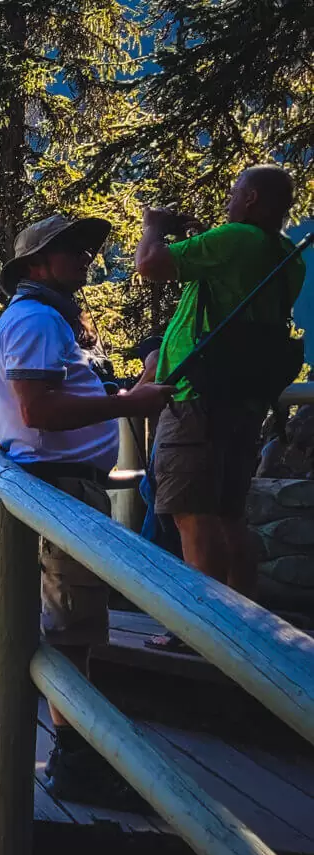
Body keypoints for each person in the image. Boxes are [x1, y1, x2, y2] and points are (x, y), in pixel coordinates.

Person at [0, 215, 172, 804]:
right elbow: (37, 409)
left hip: (49, 485)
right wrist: (126, 403)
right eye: (72, 249)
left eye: (87, 248)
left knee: (66, 626)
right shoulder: (35, 320)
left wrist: (3, 454)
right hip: (59, 492)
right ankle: (76, 760)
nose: (86, 256)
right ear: (36, 264)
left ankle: (73, 751)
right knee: (72, 631)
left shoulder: (40, 320)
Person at [135, 165, 306, 651]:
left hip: (198, 398)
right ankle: (243, 626)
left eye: (235, 194)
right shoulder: (286, 256)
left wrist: (154, 225)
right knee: (229, 514)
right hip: (243, 400)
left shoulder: (235, 239)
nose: (229, 202)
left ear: (251, 197)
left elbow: (150, 265)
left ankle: (199, 629)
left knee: (193, 514)